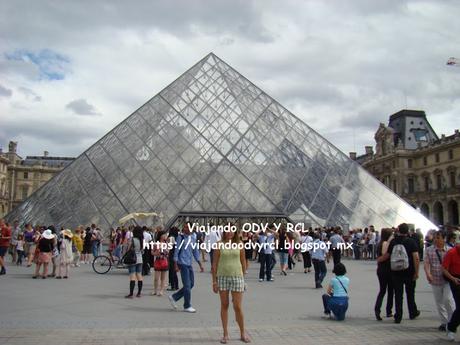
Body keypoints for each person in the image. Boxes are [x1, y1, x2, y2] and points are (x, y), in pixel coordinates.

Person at [212, 228, 250, 344]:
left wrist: (243, 278)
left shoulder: (240, 244)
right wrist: (214, 281)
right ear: (224, 232)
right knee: (224, 305)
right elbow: (215, 263)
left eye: (232, 230)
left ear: (235, 232)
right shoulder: (219, 244)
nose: (229, 232)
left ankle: (243, 332)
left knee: (237, 306)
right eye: (227, 230)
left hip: (237, 277)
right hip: (222, 277)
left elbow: (243, 262)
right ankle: (225, 334)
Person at [382, 223, 420, 323]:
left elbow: (387, 255)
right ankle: (412, 312)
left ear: (398, 230)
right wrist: (416, 272)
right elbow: (416, 257)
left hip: (396, 272)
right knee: (410, 294)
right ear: (407, 231)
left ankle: (398, 316)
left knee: (398, 295)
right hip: (409, 272)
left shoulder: (393, 241)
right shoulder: (411, 242)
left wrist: (379, 260)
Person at [168, 224, 204, 313]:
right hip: (182, 263)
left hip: (189, 263)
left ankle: (174, 297)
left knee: (191, 284)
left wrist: (200, 264)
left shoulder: (193, 238)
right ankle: (187, 305)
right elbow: (176, 251)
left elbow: (195, 251)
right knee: (187, 285)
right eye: (184, 227)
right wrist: (175, 265)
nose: (185, 228)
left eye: (187, 227)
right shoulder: (180, 238)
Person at [424, 231, 454, 331]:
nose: (436, 240)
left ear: (444, 239)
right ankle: (444, 323)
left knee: (448, 300)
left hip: (448, 280)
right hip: (435, 279)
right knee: (439, 302)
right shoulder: (429, 250)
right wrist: (428, 274)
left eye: (438, 237)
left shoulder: (450, 250)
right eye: (435, 238)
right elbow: (426, 263)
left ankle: (452, 321)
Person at [442, 240, 460, 341]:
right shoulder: (451, 252)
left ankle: (451, 327)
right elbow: (444, 269)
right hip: (456, 280)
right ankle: (451, 328)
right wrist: (453, 278)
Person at [374, 228, 394, 320]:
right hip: (388, 269)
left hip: (381, 270)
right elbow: (385, 255)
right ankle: (388, 311)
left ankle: (377, 309)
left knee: (382, 290)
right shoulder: (386, 243)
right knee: (390, 291)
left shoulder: (380, 243)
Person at [125, 226, 144, 298]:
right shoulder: (142, 240)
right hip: (140, 259)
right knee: (139, 275)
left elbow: (128, 249)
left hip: (133, 259)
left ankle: (131, 294)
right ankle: (139, 293)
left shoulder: (132, 239)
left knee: (132, 275)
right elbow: (142, 250)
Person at [152, 231, 169, 296]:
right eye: (163, 235)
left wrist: (165, 251)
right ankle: (155, 290)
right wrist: (155, 253)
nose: (165, 236)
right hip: (158, 261)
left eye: (165, 235)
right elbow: (152, 252)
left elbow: (168, 252)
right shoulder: (156, 243)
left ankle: (161, 290)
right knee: (156, 278)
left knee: (163, 278)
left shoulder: (166, 243)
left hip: (164, 260)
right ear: (160, 235)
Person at [167, 227, 179, 291]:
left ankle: (173, 285)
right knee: (174, 271)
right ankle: (176, 285)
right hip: (175, 254)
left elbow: (169, 247)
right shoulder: (177, 237)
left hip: (171, 255)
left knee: (172, 271)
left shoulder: (171, 238)